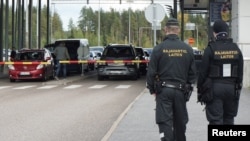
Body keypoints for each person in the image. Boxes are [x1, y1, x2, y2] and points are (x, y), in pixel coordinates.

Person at [146, 18, 197, 141]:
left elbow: (151, 73)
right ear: (178, 30)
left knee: (165, 123)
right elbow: (193, 74)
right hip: (180, 91)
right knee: (180, 123)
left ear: (165, 30)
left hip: (163, 91)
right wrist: (187, 86)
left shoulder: (158, 48)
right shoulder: (187, 49)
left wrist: (152, 90)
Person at [197, 19, 244, 125]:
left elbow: (202, 72)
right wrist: (237, 87)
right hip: (231, 89)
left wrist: (200, 90)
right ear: (227, 32)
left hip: (214, 89)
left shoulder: (210, 49)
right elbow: (240, 73)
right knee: (229, 120)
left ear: (214, 33)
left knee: (215, 120)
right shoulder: (236, 49)